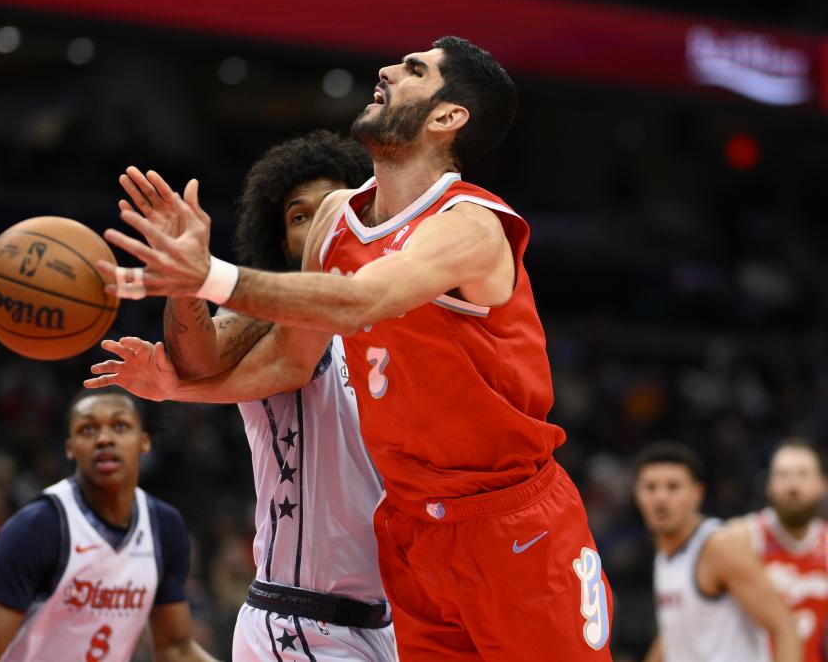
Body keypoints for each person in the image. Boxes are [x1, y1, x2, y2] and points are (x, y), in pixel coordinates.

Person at [95, 36, 611, 660]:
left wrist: (208, 275)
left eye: (415, 70)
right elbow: (291, 360)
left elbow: (362, 301)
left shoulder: (470, 225)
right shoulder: (337, 219)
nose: (388, 69)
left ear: (448, 118)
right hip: (414, 530)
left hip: (511, 525)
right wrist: (178, 386)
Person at [90, 131, 397, 660]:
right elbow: (197, 359)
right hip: (303, 621)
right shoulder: (269, 318)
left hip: (388, 622)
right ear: (281, 243)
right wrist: (189, 278)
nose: (322, 222)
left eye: (336, 206)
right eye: (301, 216)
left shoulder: (401, 321)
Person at [0, 386, 217, 662]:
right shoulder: (35, 527)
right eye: (88, 429)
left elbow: (175, 649)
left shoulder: (164, 527)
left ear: (144, 441)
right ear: (70, 448)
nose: (104, 439)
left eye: (119, 426)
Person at [633, 441, 800, 662]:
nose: (661, 498)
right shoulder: (665, 549)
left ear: (697, 493)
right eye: (651, 487)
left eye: (673, 487)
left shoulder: (719, 546)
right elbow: (675, 631)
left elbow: (784, 628)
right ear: (637, 493)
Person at [737, 438, 828, 661]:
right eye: (783, 475)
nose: (793, 486)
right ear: (770, 485)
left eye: (803, 474)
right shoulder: (742, 539)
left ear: (822, 484)